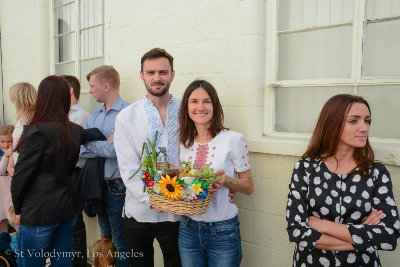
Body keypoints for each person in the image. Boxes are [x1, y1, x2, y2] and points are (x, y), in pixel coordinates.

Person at [285, 94, 400, 266]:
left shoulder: (376, 172)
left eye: (367, 120)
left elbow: (388, 236)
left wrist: (321, 225)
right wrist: (362, 236)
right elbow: (296, 230)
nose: (364, 128)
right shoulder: (306, 168)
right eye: (354, 121)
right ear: (332, 124)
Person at [114, 48, 182, 267]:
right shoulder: (127, 116)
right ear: (141, 75)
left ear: (172, 74)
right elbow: (128, 166)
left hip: (178, 213)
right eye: (150, 72)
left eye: (163, 72)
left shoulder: (186, 111)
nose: (157, 78)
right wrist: (152, 198)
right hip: (138, 212)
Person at [177, 79, 254, 267]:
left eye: (207, 101)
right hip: (187, 229)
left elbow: (249, 187)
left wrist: (226, 180)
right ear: (186, 107)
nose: (200, 107)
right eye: (194, 101)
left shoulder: (233, 139)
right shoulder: (183, 142)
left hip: (222, 230)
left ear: (215, 106)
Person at [10, 75, 83, 267]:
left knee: (31, 263)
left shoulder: (37, 131)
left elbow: (21, 176)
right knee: (62, 261)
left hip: (39, 211)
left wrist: (17, 208)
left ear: (42, 97)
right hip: (67, 207)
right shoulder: (74, 130)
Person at [80, 65, 129, 267]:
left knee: (120, 242)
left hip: (118, 188)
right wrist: (105, 143)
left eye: (92, 86)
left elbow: (115, 151)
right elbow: (80, 148)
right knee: (105, 240)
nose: (90, 90)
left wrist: (94, 144)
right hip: (98, 185)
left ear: (106, 86)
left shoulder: (127, 113)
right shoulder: (95, 115)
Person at [61, 74, 90, 267]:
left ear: (70, 91)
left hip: (75, 172)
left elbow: (68, 147)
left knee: (75, 222)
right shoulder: (62, 115)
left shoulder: (81, 115)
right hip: (64, 173)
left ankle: (78, 263)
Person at [7, 82, 37, 176]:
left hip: (28, 171)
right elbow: (16, 144)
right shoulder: (21, 117)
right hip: (18, 167)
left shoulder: (35, 117)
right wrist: (10, 164)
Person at [0, 125, 14, 233]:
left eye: (9, 141)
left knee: (13, 217)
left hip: (12, 190)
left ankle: (17, 243)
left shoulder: (17, 151)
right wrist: (5, 156)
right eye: (2, 141)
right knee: (2, 219)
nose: (6, 144)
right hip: (1, 190)